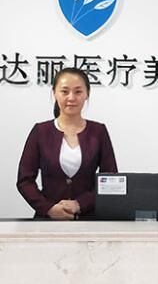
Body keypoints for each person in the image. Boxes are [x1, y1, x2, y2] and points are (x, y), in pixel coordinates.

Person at [16, 67, 118, 219]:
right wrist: (48, 208)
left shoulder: (98, 131)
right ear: (54, 93)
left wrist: (80, 204)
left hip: (89, 220)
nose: (71, 98)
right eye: (64, 91)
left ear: (87, 94)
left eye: (78, 92)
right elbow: (25, 181)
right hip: (47, 221)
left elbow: (111, 181)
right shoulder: (40, 131)